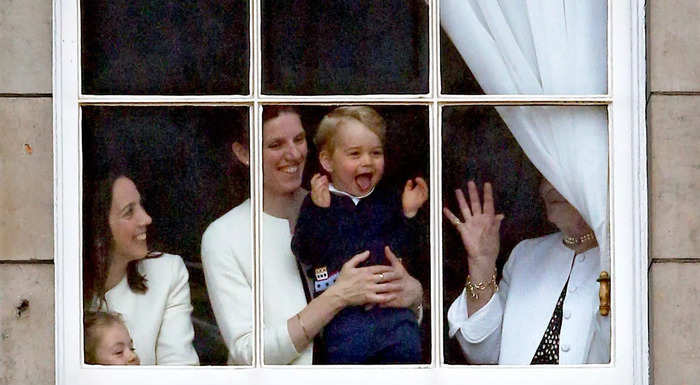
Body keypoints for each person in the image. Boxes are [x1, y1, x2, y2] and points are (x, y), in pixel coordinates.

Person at [201, 106, 424, 365]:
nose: (294, 154)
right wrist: (337, 297)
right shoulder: (223, 236)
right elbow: (248, 352)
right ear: (244, 153)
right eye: (275, 145)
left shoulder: (340, 204)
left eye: (299, 140)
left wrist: (414, 295)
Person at [291, 106, 428, 364]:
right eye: (355, 154)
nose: (367, 161)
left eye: (375, 153)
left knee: (407, 354)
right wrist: (321, 212)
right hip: (345, 317)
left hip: (393, 310)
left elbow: (408, 249)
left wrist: (408, 214)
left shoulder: (388, 200)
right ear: (327, 161)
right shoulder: (320, 202)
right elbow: (305, 250)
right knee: (348, 375)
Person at [444, 179, 609, 365]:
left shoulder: (620, 259)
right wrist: (481, 265)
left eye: (558, 173)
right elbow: (481, 352)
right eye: (544, 175)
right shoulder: (525, 254)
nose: (549, 185)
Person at [84, 173, 200, 366]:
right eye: (129, 212)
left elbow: (179, 370)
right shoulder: (64, 287)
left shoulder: (167, 272)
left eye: (141, 206)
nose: (146, 218)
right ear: (98, 229)